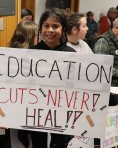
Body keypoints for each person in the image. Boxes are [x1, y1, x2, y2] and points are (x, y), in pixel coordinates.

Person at [31, 8, 75, 148]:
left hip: (62, 110)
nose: (50, 30)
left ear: (63, 29)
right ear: (41, 28)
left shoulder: (72, 55)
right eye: (46, 26)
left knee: (60, 142)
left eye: (55, 26)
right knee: (38, 142)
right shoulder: (30, 53)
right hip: (35, 110)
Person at [8, 20, 38, 148]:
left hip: (14, 112)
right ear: (31, 37)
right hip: (23, 110)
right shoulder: (36, 58)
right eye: (37, 35)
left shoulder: (7, 56)